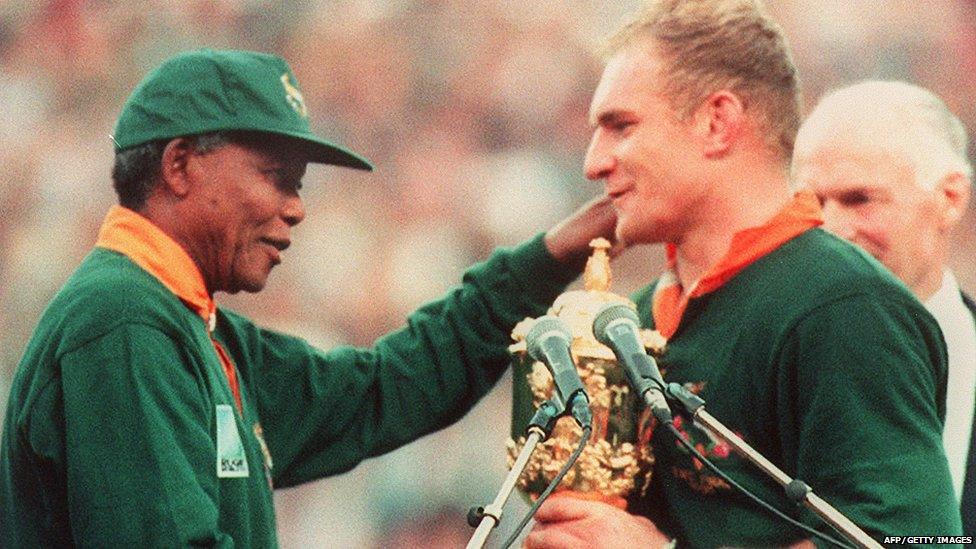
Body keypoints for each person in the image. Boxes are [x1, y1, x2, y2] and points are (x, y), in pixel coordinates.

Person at [0, 49, 619, 547]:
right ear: (180, 165)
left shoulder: (193, 324)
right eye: (277, 177)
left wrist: (552, 256)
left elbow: (384, 388)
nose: (296, 207)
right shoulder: (124, 323)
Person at [524, 1, 959, 547]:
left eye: (621, 126)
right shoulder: (627, 323)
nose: (593, 162)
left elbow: (917, 543)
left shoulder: (844, 308)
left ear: (716, 123)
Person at [791, 80, 975, 535]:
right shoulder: (763, 362)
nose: (830, 229)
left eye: (860, 200)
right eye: (812, 203)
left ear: (950, 198)